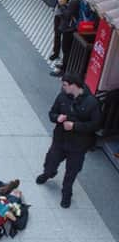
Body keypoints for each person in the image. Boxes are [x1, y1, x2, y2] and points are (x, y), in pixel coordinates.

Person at [36, 74, 102, 208]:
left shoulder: (92, 102)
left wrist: (75, 126)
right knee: (50, 162)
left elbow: (96, 125)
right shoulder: (62, 97)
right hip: (60, 140)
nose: (63, 87)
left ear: (73, 85)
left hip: (78, 145)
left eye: (65, 85)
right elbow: (52, 113)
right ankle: (48, 173)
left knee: (71, 171)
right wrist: (57, 117)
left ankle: (67, 193)